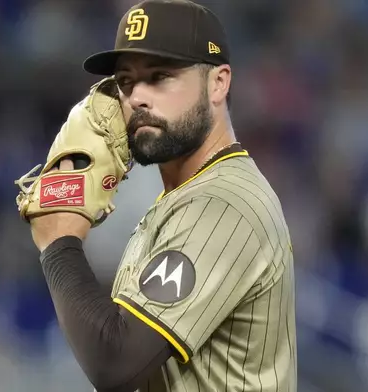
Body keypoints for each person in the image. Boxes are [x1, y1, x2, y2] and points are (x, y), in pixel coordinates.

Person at [27, 0, 297, 391]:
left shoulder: (222, 204)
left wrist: (58, 243)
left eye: (160, 76)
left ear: (218, 83)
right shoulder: (183, 197)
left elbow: (115, 363)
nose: (137, 97)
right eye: (125, 82)